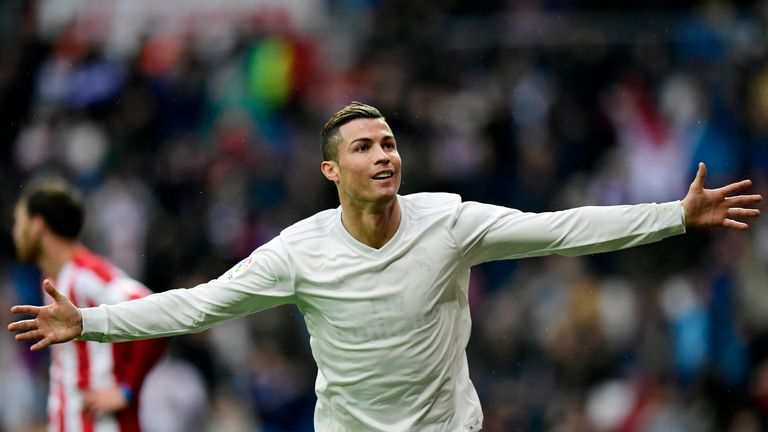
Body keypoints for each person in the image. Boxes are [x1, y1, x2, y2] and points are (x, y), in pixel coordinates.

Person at [9, 102, 763, 431]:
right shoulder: (299, 253)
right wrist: (90, 323)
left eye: (389, 142)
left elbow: (561, 230)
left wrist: (674, 214)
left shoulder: (450, 223)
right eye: (364, 146)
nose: (384, 154)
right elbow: (200, 305)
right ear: (332, 170)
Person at [10, 177, 167, 432]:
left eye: (19, 221)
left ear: (37, 225)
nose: (15, 231)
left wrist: (127, 390)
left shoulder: (87, 275)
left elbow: (159, 315)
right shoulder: (53, 281)